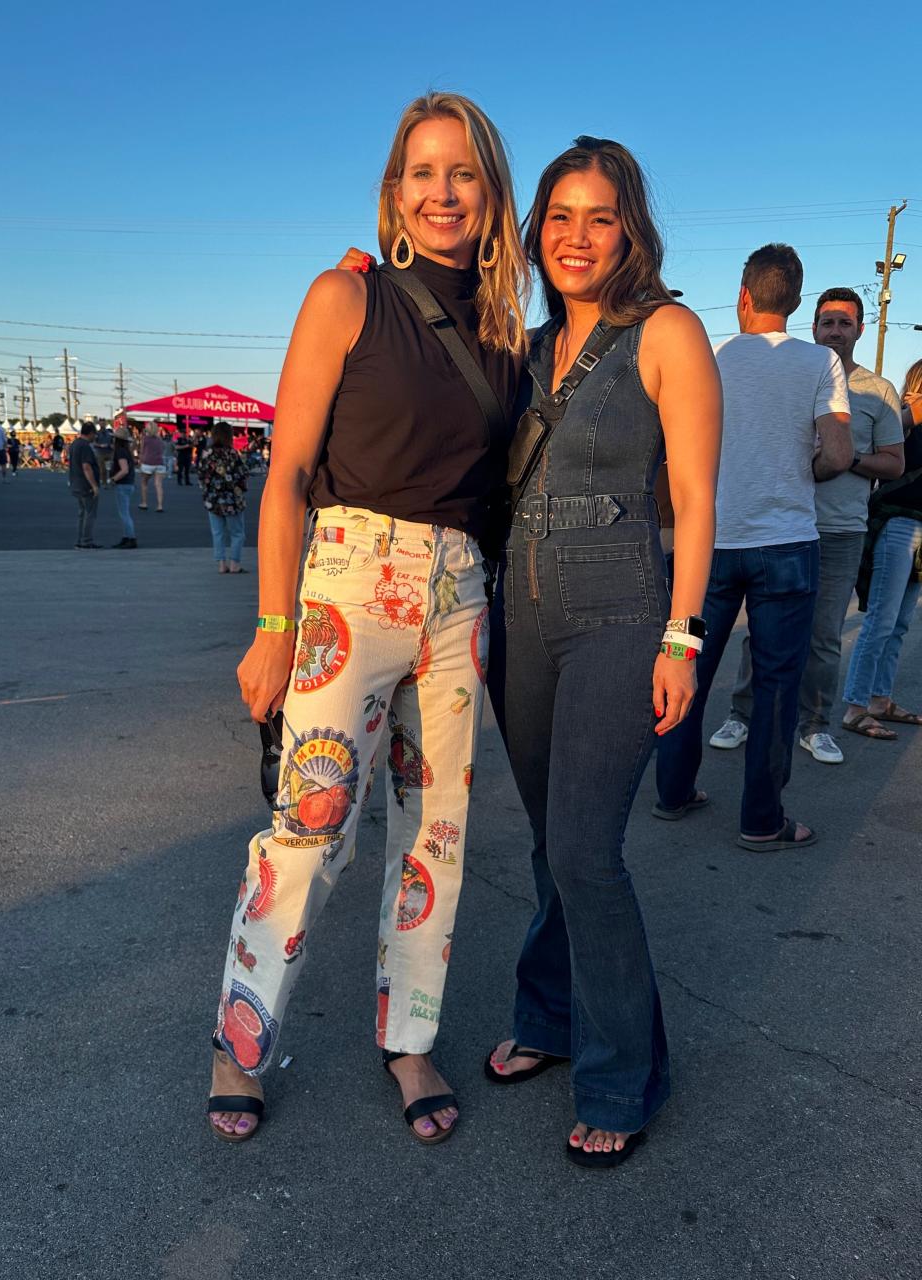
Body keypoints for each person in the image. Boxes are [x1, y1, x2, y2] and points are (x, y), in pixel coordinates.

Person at [207, 92, 527, 1149]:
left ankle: (411, 1036)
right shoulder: (347, 295)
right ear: (396, 191)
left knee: (434, 833)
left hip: (458, 593)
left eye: (463, 173)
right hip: (348, 579)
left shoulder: (505, 329)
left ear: (490, 194)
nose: (442, 193)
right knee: (308, 829)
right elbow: (286, 473)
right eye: (422, 173)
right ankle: (241, 1042)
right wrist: (270, 622)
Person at [471, 138, 720, 1167]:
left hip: (622, 610)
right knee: (547, 840)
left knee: (586, 849)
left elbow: (700, 497)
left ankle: (624, 1069)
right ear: (535, 231)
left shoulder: (665, 330)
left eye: (600, 216)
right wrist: (373, 278)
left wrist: (683, 636)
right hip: (517, 617)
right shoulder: (519, 349)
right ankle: (549, 1013)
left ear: (632, 228)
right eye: (560, 217)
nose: (578, 237)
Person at [655, 244, 853, 851]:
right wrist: (798, 469)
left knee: (687, 661)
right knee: (775, 684)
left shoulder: (709, 354)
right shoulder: (822, 362)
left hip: (706, 547)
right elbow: (840, 454)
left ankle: (672, 791)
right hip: (789, 546)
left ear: (743, 295)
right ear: (795, 301)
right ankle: (762, 820)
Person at [711, 287, 904, 763]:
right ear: (812, 327)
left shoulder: (876, 391)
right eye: (826, 322)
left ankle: (815, 725)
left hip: (839, 529)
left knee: (823, 636)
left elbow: (895, 464)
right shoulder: (796, 372)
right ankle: (742, 713)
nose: (835, 330)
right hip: (779, 528)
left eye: (844, 323)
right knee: (761, 633)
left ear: (860, 329)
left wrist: (845, 458)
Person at [840, 358, 922, 737]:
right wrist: (912, 412)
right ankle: (856, 706)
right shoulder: (902, 413)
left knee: (901, 621)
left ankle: (880, 699)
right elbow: (889, 447)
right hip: (898, 523)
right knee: (881, 619)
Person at [197, 422, 249, 573]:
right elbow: (242, 474)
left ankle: (221, 564)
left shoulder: (207, 454)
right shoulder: (232, 453)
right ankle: (235, 563)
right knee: (237, 533)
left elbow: (201, 476)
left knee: (217, 533)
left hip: (213, 500)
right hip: (232, 500)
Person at [68, 422, 101, 549]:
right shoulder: (85, 446)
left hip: (76, 483)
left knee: (81, 514)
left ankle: (79, 540)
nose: (95, 437)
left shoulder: (75, 444)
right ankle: (87, 540)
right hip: (85, 485)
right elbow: (86, 467)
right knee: (90, 514)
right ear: (91, 433)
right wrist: (94, 486)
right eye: (94, 434)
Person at [107, 424, 138, 548]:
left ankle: (131, 538)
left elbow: (124, 470)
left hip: (123, 484)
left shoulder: (120, 452)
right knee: (125, 512)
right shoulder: (127, 451)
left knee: (124, 513)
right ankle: (127, 536)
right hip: (129, 483)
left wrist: (113, 479)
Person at [137, 421, 166, 512]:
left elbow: (142, 451)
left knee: (144, 482)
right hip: (159, 463)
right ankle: (160, 505)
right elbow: (162, 449)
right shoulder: (160, 440)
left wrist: (140, 462)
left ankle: (144, 503)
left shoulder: (144, 439)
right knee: (158, 485)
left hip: (147, 463)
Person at [92, 420, 113, 485]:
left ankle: (111, 479)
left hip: (109, 452)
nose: (102, 425)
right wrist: (100, 445)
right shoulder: (97, 433)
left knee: (110, 468)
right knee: (102, 469)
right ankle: (103, 481)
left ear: (105, 424)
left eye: (104, 423)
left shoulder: (109, 432)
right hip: (100, 452)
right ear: (99, 424)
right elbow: (94, 443)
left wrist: (112, 445)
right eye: (101, 423)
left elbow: (113, 441)